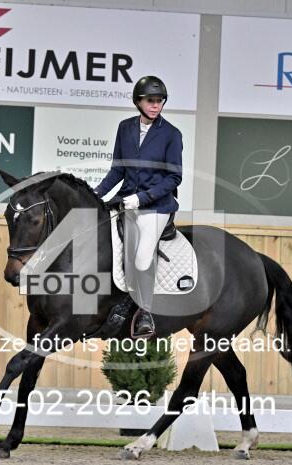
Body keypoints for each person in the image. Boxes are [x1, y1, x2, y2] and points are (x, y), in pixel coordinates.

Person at [93, 75, 183, 337]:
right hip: (126, 201)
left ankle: (145, 312)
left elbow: (174, 178)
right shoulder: (125, 128)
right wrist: (96, 194)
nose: (155, 105)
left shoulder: (171, 134)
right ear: (138, 102)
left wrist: (142, 199)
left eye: (160, 101)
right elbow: (118, 170)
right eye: (150, 100)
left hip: (157, 207)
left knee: (142, 257)